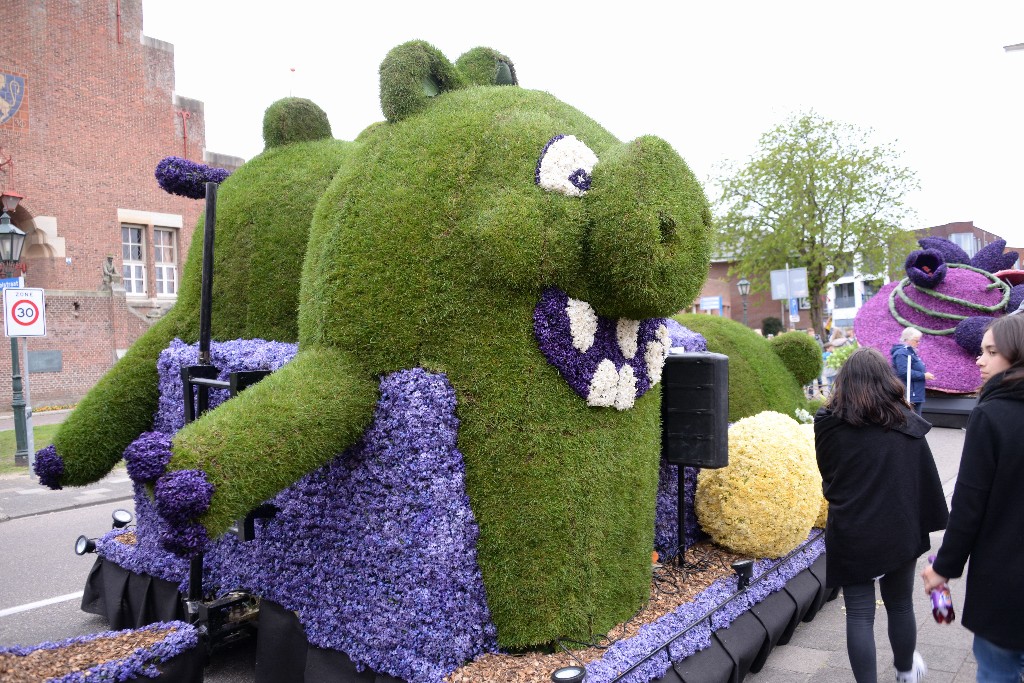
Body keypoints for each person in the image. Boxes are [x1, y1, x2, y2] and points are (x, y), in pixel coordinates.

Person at [815, 347, 948, 683]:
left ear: (843, 383)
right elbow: (923, 480)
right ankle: (906, 672)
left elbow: (828, 472)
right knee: (900, 604)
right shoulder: (907, 424)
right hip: (899, 526)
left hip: (852, 526)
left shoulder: (827, 424)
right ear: (887, 381)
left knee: (858, 613)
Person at [922, 314, 1024, 682]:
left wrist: (943, 568)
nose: (980, 360)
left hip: (1007, 582)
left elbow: (969, 505)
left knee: (998, 671)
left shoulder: (992, 415)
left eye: (992, 351)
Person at [891, 327, 935, 415]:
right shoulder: (902, 353)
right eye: (916, 341)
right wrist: (923, 375)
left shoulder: (910, 352)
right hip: (909, 394)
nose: (918, 343)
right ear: (907, 340)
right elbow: (903, 372)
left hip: (914, 393)